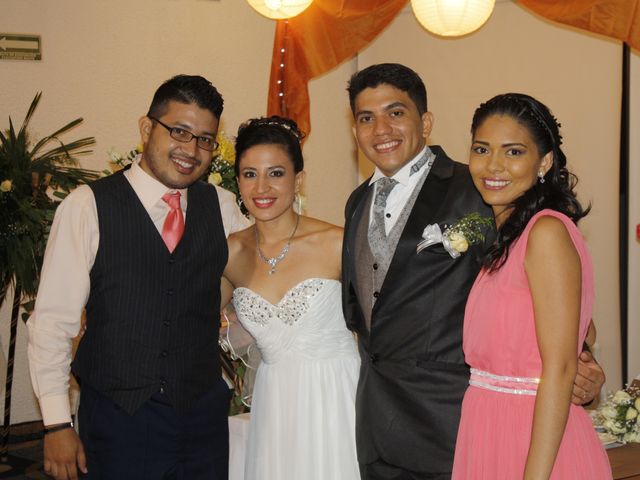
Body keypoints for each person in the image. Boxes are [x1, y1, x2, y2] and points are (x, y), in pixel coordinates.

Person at [341, 63, 606, 479]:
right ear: (354, 129)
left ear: (425, 122)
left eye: (395, 113)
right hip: (379, 428)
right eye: (365, 117)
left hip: (453, 425)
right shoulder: (357, 202)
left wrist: (583, 366)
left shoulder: (482, 191)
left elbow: (563, 313)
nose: (381, 130)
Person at [28, 74, 230, 480]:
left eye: (205, 139)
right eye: (180, 132)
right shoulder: (88, 206)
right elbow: (52, 321)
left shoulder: (223, 206)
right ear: (145, 128)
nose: (191, 150)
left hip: (203, 416)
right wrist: (56, 423)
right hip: (120, 418)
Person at [451, 93, 612, 479]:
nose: (493, 165)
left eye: (513, 152)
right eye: (482, 149)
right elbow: (577, 327)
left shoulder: (546, 232)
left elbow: (559, 367)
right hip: (484, 430)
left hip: (532, 442)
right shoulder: (507, 236)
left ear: (544, 161)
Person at [221, 116, 361, 480]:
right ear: (238, 181)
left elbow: (385, 322)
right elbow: (187, 319)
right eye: (250, 174)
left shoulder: (337, 242)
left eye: (276, 173)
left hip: (338, 395)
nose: (262, 187)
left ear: (298, 179)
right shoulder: (230, 254)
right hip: (276, 402)